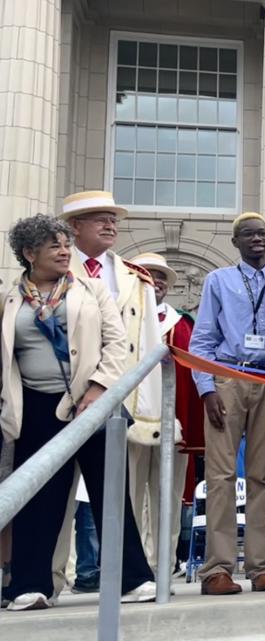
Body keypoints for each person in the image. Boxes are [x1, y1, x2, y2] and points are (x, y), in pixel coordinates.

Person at [1, 214, 155, 610]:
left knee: (110, 493)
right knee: (38, 498)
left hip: (94, 405)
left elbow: (116, 343)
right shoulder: (10, 298)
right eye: (54, 246)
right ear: (29, 253)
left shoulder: (92, 290)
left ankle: (133, 579)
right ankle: (30, 586)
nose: (64, 251)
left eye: (66, 244)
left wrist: (99, 390)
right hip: (35, 407)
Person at [58, 191, 164, 581]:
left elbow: (149, 346)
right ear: (74, 227)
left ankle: (127, 576)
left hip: (115, 397)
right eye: (99, 218)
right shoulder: (53, 268)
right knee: (54, 492)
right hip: (60, 392)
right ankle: (50, 577)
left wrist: (149, 410)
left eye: (113, 219)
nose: (110, 225)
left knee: (117, 493)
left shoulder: (134, 278)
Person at [189, 212, 265, 596]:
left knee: (263, 476)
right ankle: (217, 569)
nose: (256, 239)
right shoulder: (219, 281)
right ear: (235, 242)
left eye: (262, 233)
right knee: (219, 475)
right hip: (228, 377)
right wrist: (206, 388)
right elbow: (201, 340)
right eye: (247, 234)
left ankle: (260, 566)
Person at [128, 252, 205, 571]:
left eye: (161, 276)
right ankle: (129, 567)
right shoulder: (121, 318)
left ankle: (163, 563)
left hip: (173, 421)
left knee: (168, 497)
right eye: (148, 273)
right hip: (131, 421)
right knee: (128, 496)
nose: (155, 280)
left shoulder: (181, 323)